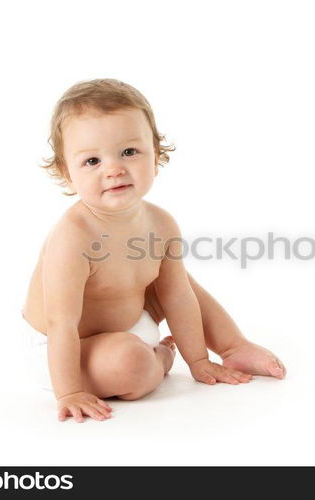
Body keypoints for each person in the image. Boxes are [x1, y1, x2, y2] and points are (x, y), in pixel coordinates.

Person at [21, 78, 286, 422]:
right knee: (131, 364)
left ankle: (232, 346)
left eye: (129, 152)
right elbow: (61, 323)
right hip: (66, 349)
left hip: (129, 319)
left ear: (156, 154)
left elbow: (177, 298)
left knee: (180, 284)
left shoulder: (160, 223)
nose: (114, 169)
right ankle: (157, 359)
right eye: (92, 161)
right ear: (65, 172)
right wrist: (70, 391)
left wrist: (198, 362)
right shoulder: (73, 238)